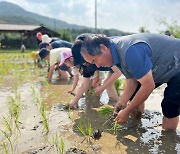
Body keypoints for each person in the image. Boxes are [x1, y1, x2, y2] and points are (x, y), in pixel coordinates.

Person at [80, 33, 180, 131]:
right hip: (161, 67)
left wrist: (127, 111)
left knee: (170, 105)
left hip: (177, 64)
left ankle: (169, 139)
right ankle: (136, 125)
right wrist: (122, 102)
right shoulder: (115, 54)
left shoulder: (129, 51)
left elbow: (148, 85)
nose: (97, 66)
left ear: (103, 48)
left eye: (94, 60)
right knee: (134, 94)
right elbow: (131, 80)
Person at [60, 38, 121, 109]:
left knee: (108, 84)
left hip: (117, 65)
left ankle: (115, 105)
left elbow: (118, 72)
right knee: (108, 84)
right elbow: (83, 85)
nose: (85, 63)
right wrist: (72, 103)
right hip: (111, 68)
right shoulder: (85, 66)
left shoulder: (100, 56)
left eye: (85, 61)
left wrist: (102, 88)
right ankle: (114, 107)